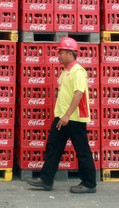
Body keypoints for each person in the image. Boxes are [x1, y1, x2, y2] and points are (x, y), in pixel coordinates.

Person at [26, 37, 97, 194]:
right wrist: (62, 116)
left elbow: (79, 94)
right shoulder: (66, 72)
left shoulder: (78, 71)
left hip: (74, 119)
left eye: (61, 52)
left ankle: (89, 184)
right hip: (62, 118)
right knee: (53, 147)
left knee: (82, 151)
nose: (58, 55)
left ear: (70, 54)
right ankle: (46, 180)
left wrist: (67, 115)